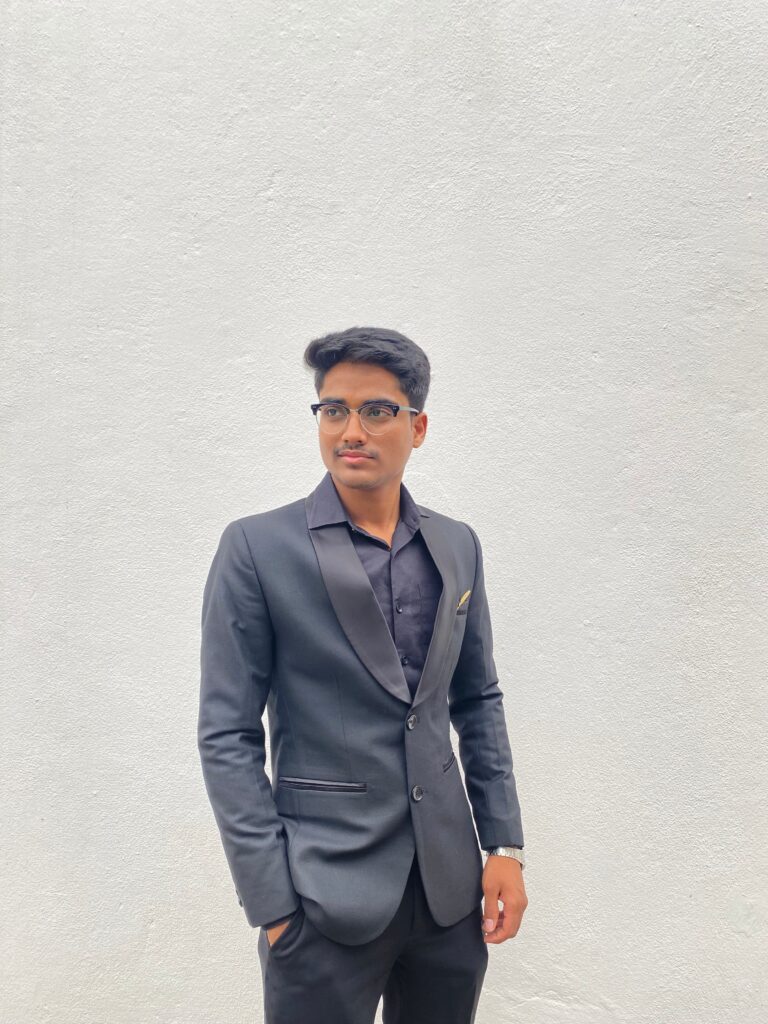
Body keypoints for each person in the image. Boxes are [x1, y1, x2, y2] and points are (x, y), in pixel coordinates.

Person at [197, 326, 527, 1024]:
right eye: (334, 409)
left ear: (418, 427)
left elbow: (478, 698)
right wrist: (273, 905)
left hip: (448, 895)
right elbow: (226, 733)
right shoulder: (257, 547)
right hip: (321, 897)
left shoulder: (457, 544)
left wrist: (503, 845)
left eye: (377, 410)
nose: (352, 430)